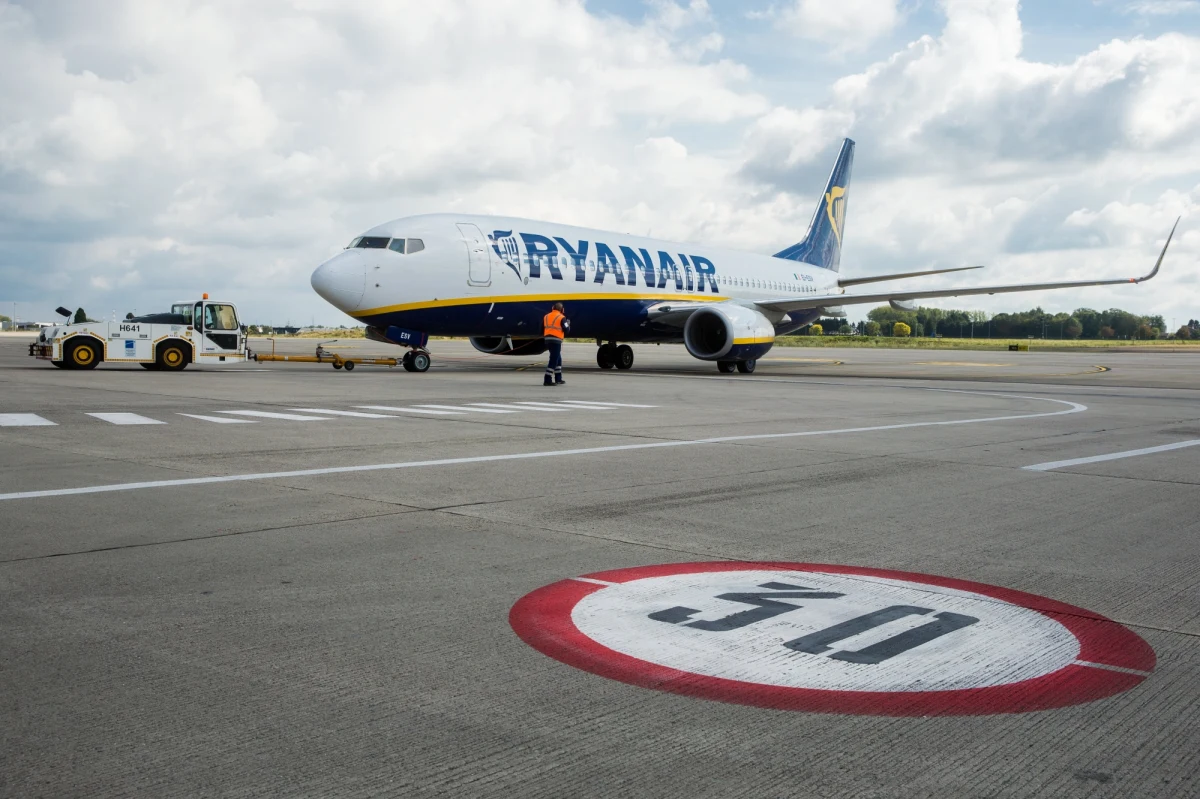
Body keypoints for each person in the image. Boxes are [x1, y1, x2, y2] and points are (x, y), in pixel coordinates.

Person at [543, 302, 569, 386]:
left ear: (552, 308)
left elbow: (542, 327)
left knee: (558, 358)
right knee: (554, 359)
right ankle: (547, 379)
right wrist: (568, 324)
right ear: (562, 310)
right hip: (556, 340)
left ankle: (558, 378)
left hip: (547, 339)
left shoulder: (546, 316)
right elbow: (567, 330)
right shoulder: (562, 317)